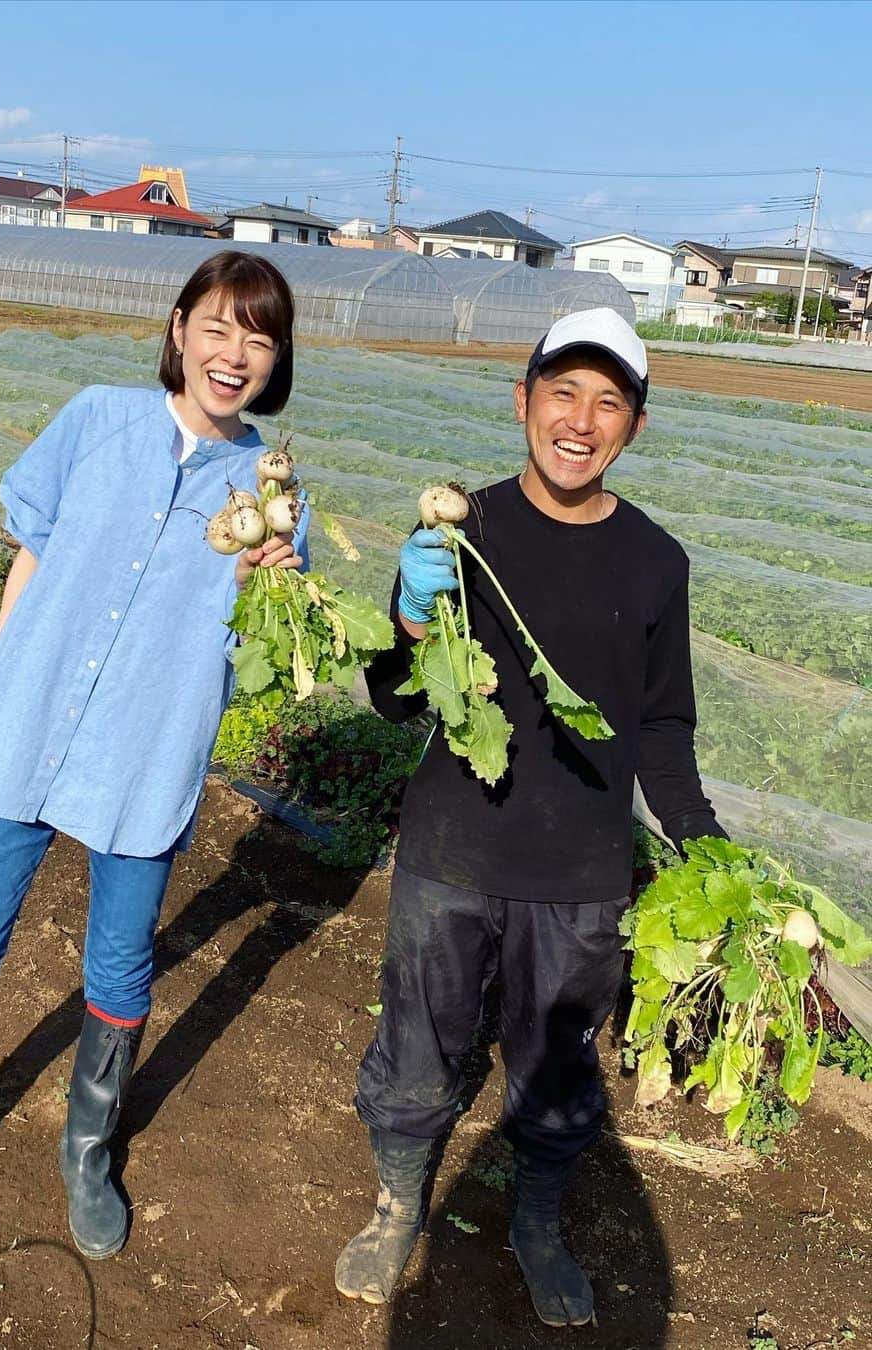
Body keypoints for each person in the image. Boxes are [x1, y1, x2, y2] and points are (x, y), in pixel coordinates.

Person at [0, 250, 306, 1261]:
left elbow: (270, 643)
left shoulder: (271, 491)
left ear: (276, 362)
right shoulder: (98, 419)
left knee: (119, 962)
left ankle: (88, 1155)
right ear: (182, 326)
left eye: (261, 339)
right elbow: (37, 555)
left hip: (145, 750)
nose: (236, 355)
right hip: (30, 720)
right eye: (221, 327)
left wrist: (274, 583)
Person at [335, 307, 726, 1327]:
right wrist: (414, 617)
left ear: (635, 426)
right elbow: (396, 697)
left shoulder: (656, 562)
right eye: (563, 392)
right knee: (420, 1048)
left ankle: (538, 1220)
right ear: (523, 403)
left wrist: (713, 849)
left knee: (556, 1072)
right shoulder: (460, 532)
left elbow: (664, 727)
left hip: (582, 872)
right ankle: (395, 1202)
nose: (581, 420)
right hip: (451, 853)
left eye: (609, 402)